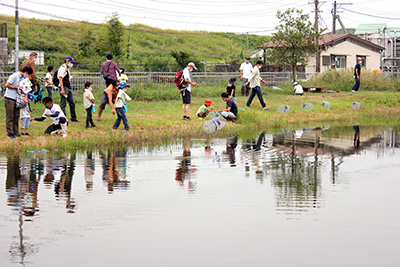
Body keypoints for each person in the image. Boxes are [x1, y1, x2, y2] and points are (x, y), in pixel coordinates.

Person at [4, 66, 33, 138]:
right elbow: (7, 85)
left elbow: (25, 89)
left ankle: (16, 132)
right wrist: (16, 87)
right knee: (10, 116)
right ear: (26, 72)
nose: (28, 76)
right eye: (28, 74)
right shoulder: (14, 76)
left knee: (16, 116)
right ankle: (9, 132)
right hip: (10, 97)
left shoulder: (23, 79)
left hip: (18, 99)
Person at [58, 56, 79, 122]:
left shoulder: (67, 69)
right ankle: (63, 118)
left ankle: (73, 117)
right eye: (71, 62)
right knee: (63, 104)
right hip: (64, 87)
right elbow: (60, 79)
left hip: (68, 87)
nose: (71, 63)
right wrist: (62, 89)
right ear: (67, 61)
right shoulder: (62, 68)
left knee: (72, 103)